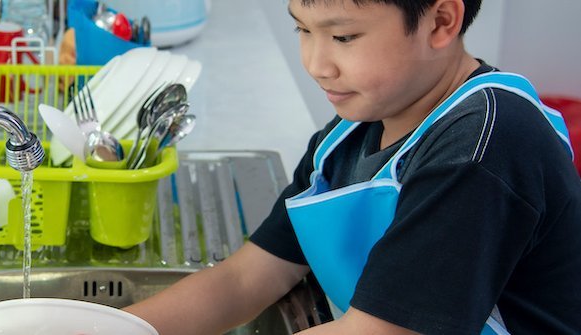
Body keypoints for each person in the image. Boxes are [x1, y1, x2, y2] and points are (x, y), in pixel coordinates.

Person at [123, 0, 581, 333]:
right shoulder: (350, 132)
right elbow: (246, 278)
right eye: (302, 29)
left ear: (441, 21)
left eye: (343, 36)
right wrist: (109, 328)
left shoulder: (480, 149)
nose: (316, 64)